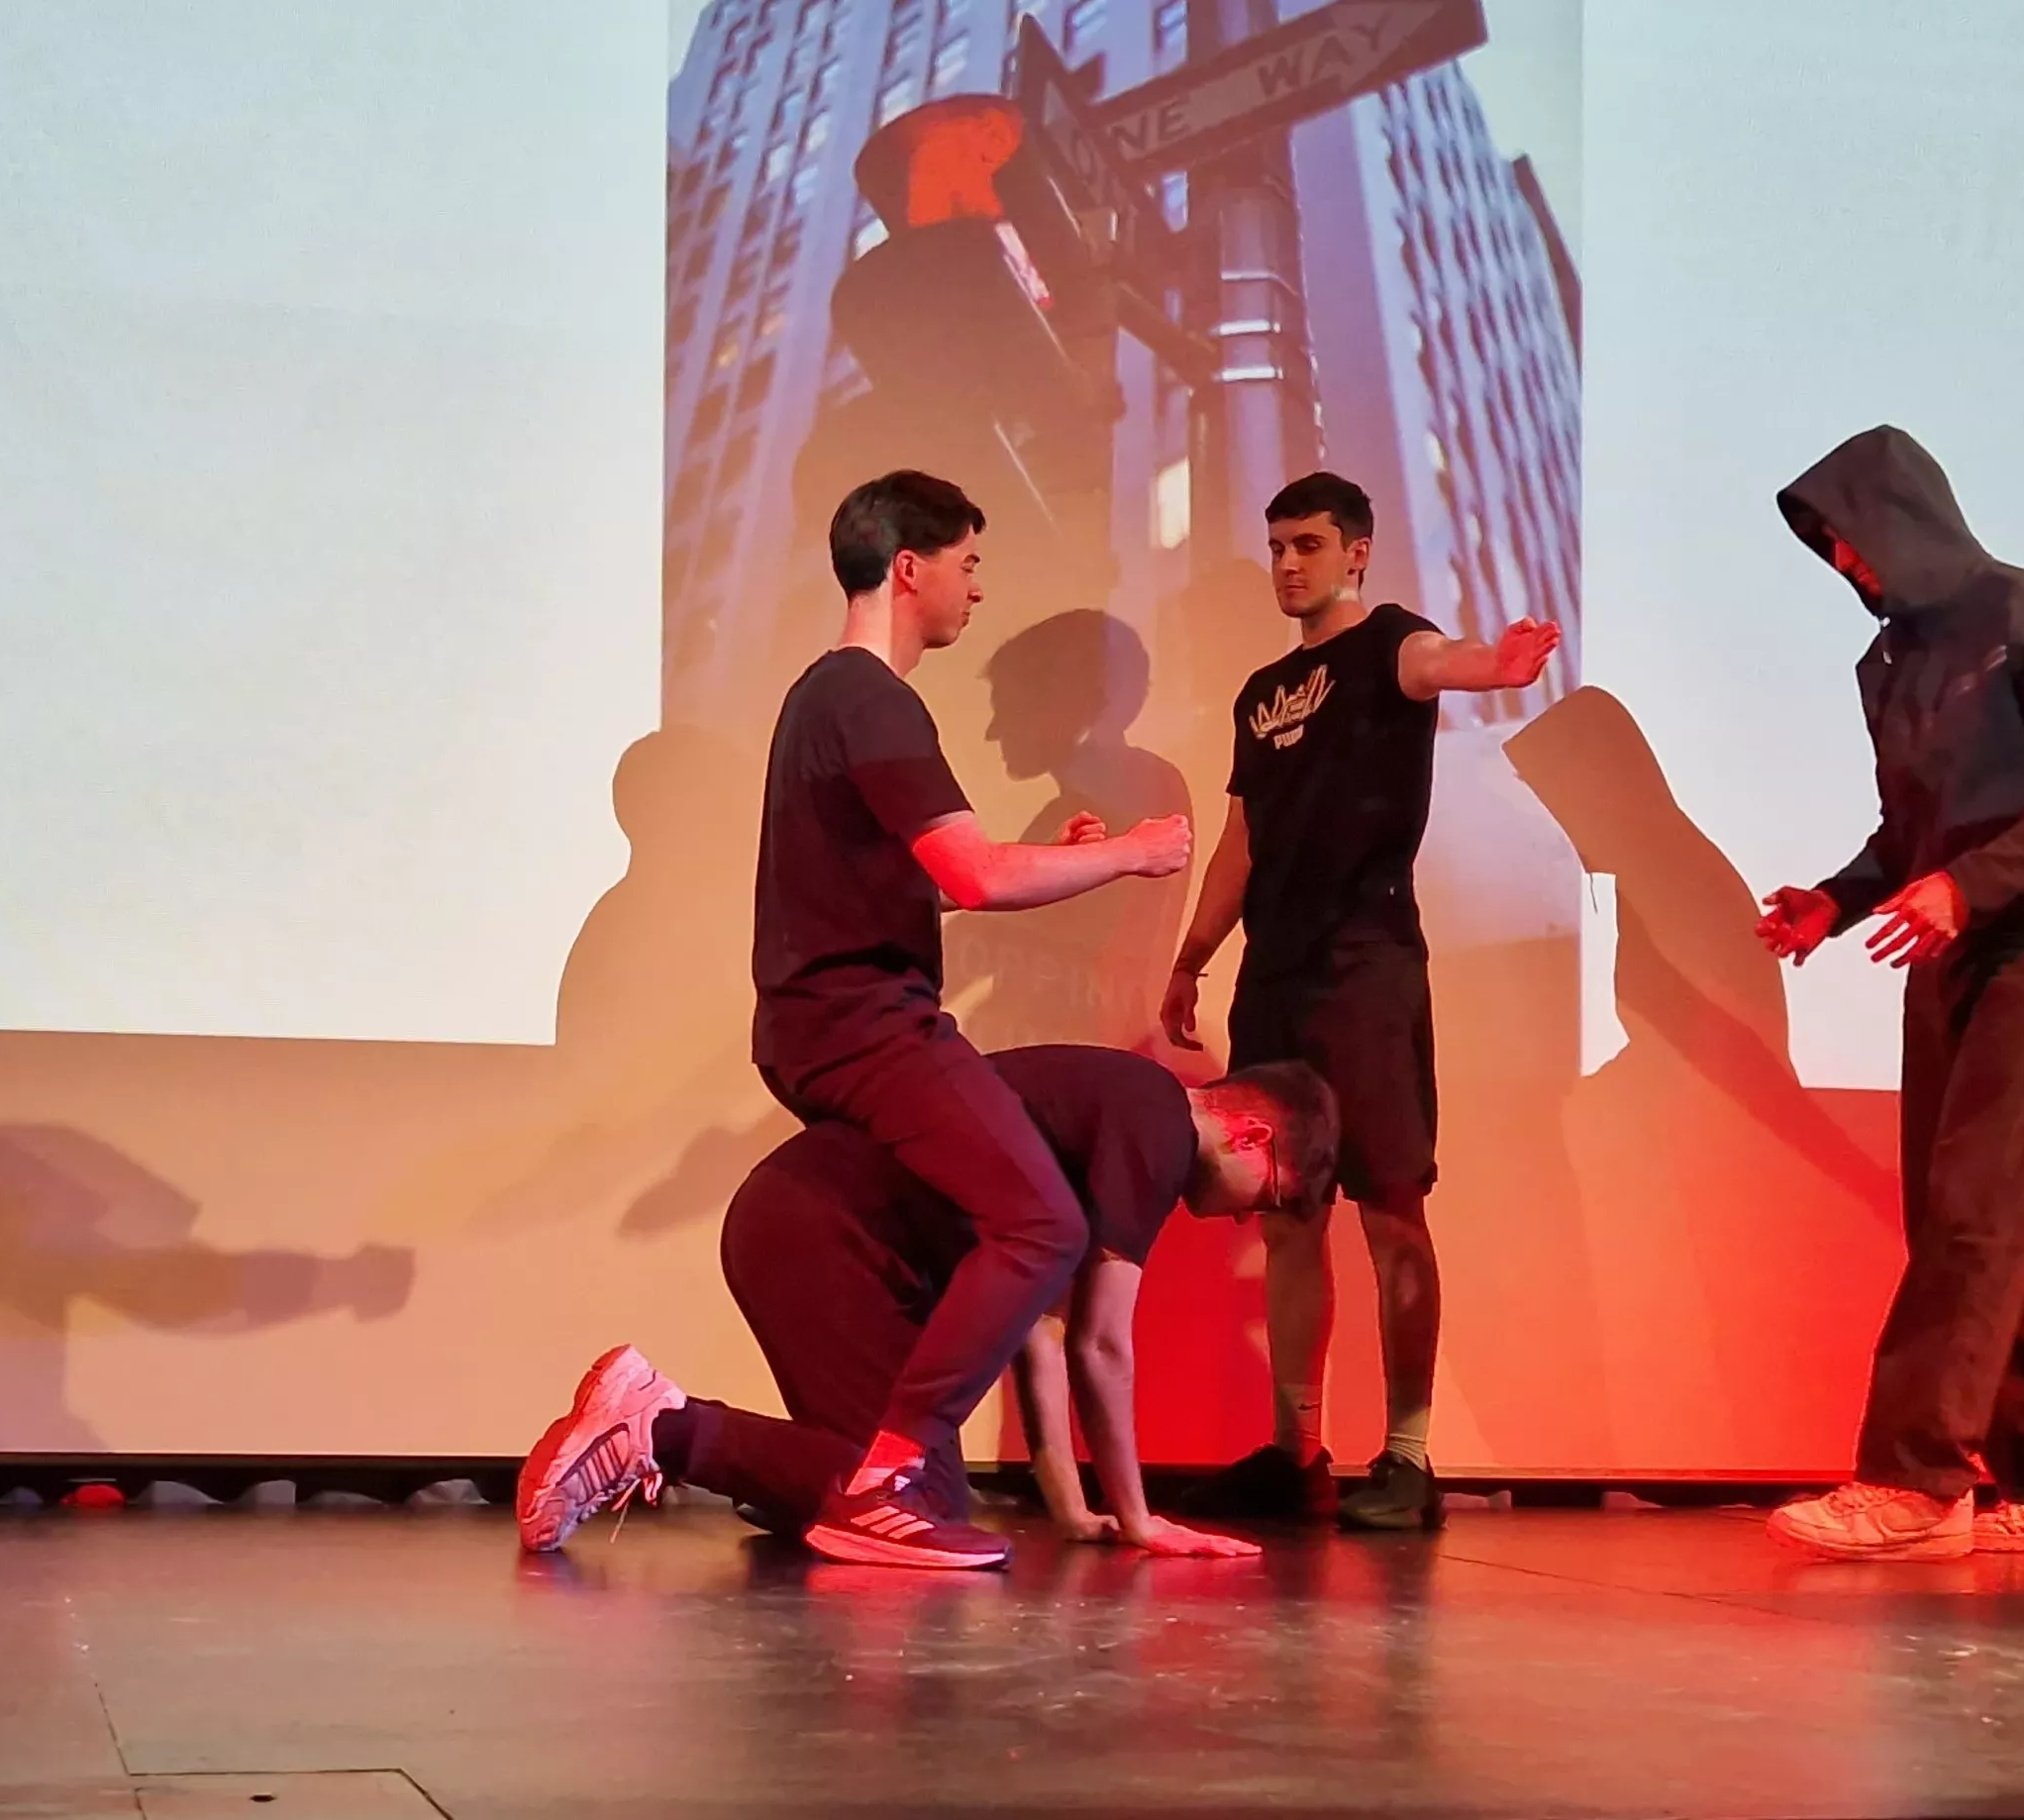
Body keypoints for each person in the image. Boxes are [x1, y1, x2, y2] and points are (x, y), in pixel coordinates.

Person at [747, 471, 1195, 1567]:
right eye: (969, 563)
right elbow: (979, 873)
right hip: (861, 1020)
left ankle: (824, 1453)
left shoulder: (831, 697)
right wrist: (1131, 852)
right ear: (911, 567)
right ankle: (888, 1472)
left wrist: (1075, 853)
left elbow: (933, 880)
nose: (975, 588)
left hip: (828, 1019)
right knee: (1044, 1224)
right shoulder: (870, 697)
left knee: (1000, 1217)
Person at [1752, 425, 2024, 1563]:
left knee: (1978, 1202)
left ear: (1904, 515)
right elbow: (1912, 827)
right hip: (1953, 938)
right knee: (1956, 1216)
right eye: (1825, 548)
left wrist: (1967, 888)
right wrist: (1837, 898)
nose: (1845, 567)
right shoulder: (1886, 666)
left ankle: (1915, 1481)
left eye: (1850, 539)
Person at [513, 1045, 1342, 1565]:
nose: (1243, 1217)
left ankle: (797, 1487)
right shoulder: (1154, 1125)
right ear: (1250, 1136)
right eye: (1265, 1197)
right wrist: (1138, 1519)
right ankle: (660, 1426)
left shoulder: (1115, 1108)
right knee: (912, 1505)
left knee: (913, 1497)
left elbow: (1042, 1332)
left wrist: (1073, 1508)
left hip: (819, 1232)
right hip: (825, 1236)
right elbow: (1100, 1344)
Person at [1160, 472, 1563, 1531]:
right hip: (1274, 982)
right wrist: (1192, 955)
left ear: (1357, 552)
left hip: (1367, 971)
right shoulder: (1259, 694)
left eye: (1309, 544)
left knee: (1392, 1210)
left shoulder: (1392, 640)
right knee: (1289, 1218)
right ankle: (1298, 1453)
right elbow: (1243, 840)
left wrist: (1497, 665)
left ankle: (1409, 1456)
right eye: (1277, 546)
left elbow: (1442, 663)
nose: (1289, 563)